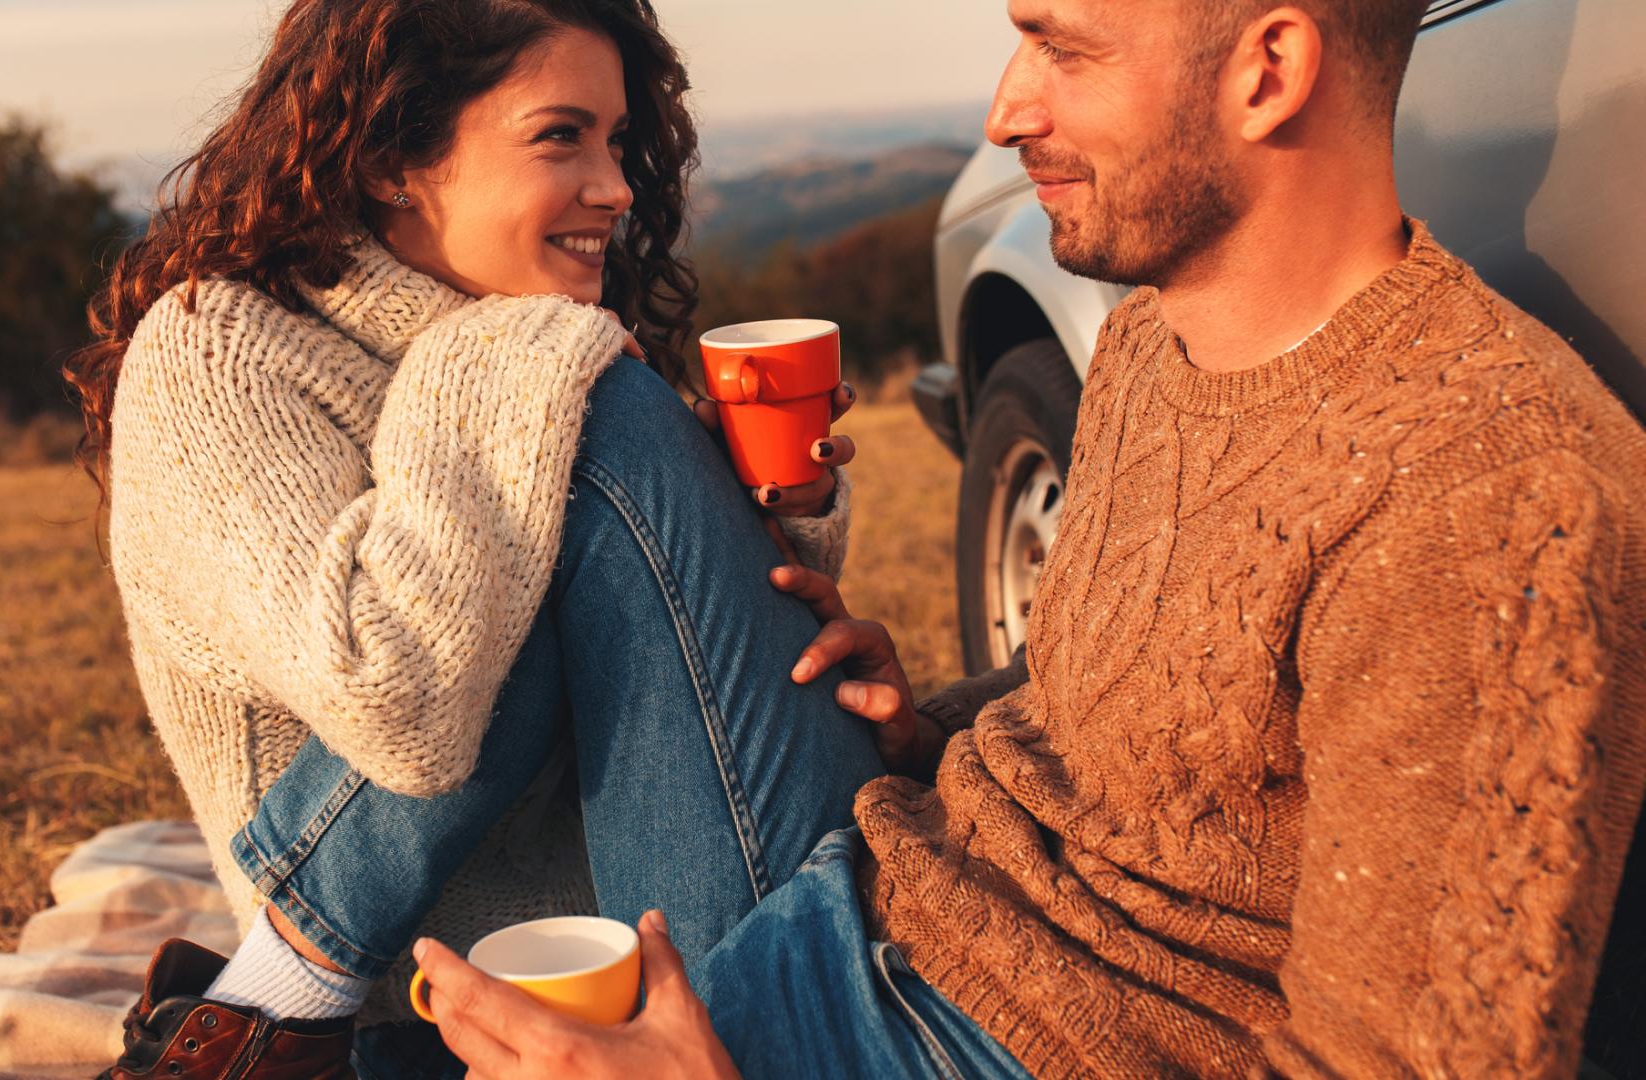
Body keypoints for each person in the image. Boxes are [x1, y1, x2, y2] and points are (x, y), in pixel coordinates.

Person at [408, 0, 1646, 1076]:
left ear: (1267, 70)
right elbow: (1171, 720)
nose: (1006, 111)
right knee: (606, 423)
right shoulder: (1155, 346)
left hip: (983, 1031)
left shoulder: (1493, 495)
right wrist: (927, 722)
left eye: (1062, 50)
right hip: (877, 905)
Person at [64, 1, 882, 1077]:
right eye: (561, 136)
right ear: (397, 156)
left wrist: (774, 528)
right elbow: (399, 702)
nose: (617, 186)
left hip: (641, 912)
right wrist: (519, 355)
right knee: (581, 462)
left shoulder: (515, 335)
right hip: (434, 996)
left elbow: (680, 678)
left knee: (592, 468)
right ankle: (274, 1002)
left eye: (617, 140)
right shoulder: (220, 358)